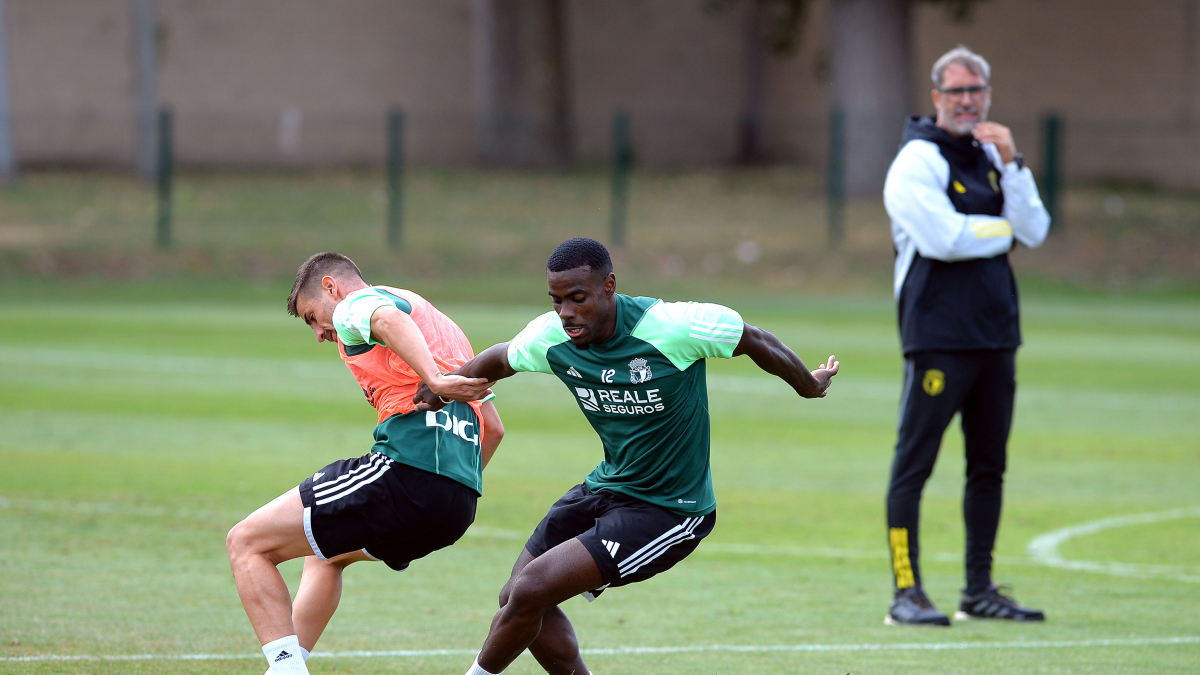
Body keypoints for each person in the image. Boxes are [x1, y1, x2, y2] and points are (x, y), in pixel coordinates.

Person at [414, 237, 839, 675]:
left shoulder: (672, 327)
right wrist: (442, 386)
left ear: (609, 286)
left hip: (671, 509)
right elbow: (499, 359)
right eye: (557, 301)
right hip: (606, 487)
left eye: (578, 299)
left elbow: (753, 338)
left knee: (530, 590)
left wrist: (808, 384)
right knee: (516, 598)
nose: (566, 313)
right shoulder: (551, 337)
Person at [225, 252, 501, 675]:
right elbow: (494, 429)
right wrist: (450, 482)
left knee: (246, 543)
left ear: (332, 288)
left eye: (313, 316)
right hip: (459, 504)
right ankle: (288, 666)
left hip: (406, 473)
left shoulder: (357, 303)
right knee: (325, 554)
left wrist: (435, 380)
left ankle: (284, 669)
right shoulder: (443, 326)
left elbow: (384, 320)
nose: (319, 332)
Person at [881, 46, 1050, 626]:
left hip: (997, 335)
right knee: (914, 466)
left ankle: (979, 590)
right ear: (936, 98)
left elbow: (1038, 228)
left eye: (977, 90)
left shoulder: (992, 155)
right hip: (937, 337)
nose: (969, 101)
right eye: (956, 92)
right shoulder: (916, 160)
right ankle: (906, 593)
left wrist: (1014, 163)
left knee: (988, 467)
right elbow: (943, 239)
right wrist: (1006, 228)